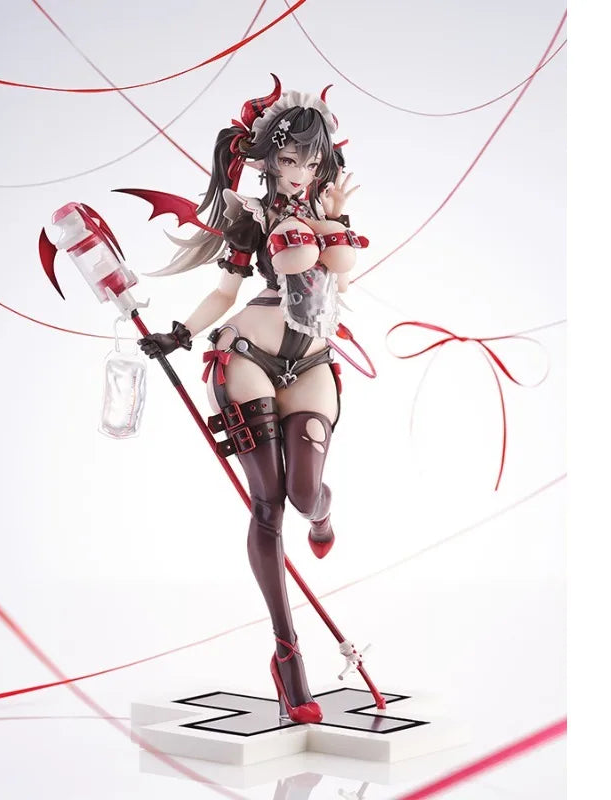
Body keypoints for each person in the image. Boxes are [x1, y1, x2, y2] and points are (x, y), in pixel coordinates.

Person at [137, 75, 367, 724]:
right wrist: (180, 333)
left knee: (304, 493)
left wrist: (334, 220)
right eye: (290, 159)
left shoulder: (331, 212)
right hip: (246, 356)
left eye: (312, 162)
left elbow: (340, 282)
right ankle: (287, 655)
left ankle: (321, 516)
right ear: (268, 158)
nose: (300, 172)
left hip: (312, 361)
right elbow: (225, 292)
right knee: (268, 503)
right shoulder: (251, 217)